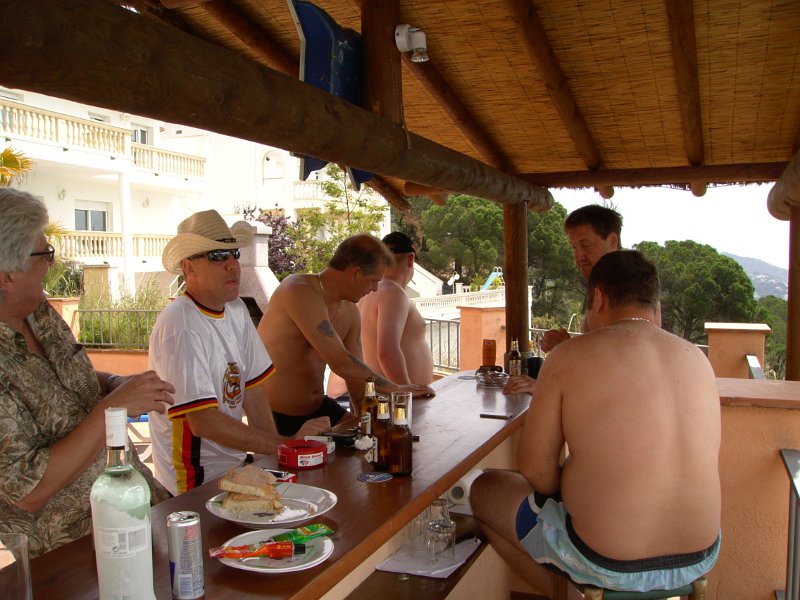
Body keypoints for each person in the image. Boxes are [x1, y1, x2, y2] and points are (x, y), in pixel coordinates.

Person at [471, 250, 721, 595]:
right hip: (699, 556)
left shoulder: (569, 356)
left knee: (484, 489)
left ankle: (570, 594)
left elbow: (536, 472)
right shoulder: (698, 359)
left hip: (606, 562)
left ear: (598, 298)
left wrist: (578, 486)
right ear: (656, 305)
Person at [0, 188, 175, 557]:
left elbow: (61, 378)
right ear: (7, 275)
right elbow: (29, 490)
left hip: (141, 510)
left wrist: (113, 383)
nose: (51, 263)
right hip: (77, 554)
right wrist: (113, 408)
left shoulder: (39, 313)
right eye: (44, 254)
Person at [148, 210, 329, 496]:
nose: (233, 264)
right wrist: (284, 445)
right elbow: (203, 422)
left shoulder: (236, 309)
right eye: (218, 256)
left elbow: (253, 392)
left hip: (235, 468)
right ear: (189, 268)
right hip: (195, 483)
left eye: (234, 253)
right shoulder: (181, 322)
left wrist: (277, 456)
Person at [257, 234, 435, 436]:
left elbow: (355, 378)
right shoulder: (298, 290)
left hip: (320, 408)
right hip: (275, 416)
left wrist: (366, 426)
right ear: (356, 273)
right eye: (373, 281)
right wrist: (398, 388)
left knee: (377, 439)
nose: (375, 288)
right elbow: (341, 363)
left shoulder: (349, 311)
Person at [540, 204, 621, 353]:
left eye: (586, 245)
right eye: (574, 247)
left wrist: (566, 348)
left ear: (612, 241)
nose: (578, 256)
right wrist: (567, 345)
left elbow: (621, 356)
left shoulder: (630, 289)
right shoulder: (598, 286)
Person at [359, 232, 433, 385]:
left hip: (379, 390)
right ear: (411, 259)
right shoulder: (393, 292)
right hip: (394, 396)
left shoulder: (367, 291)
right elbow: (386, 351)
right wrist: (406, 391)